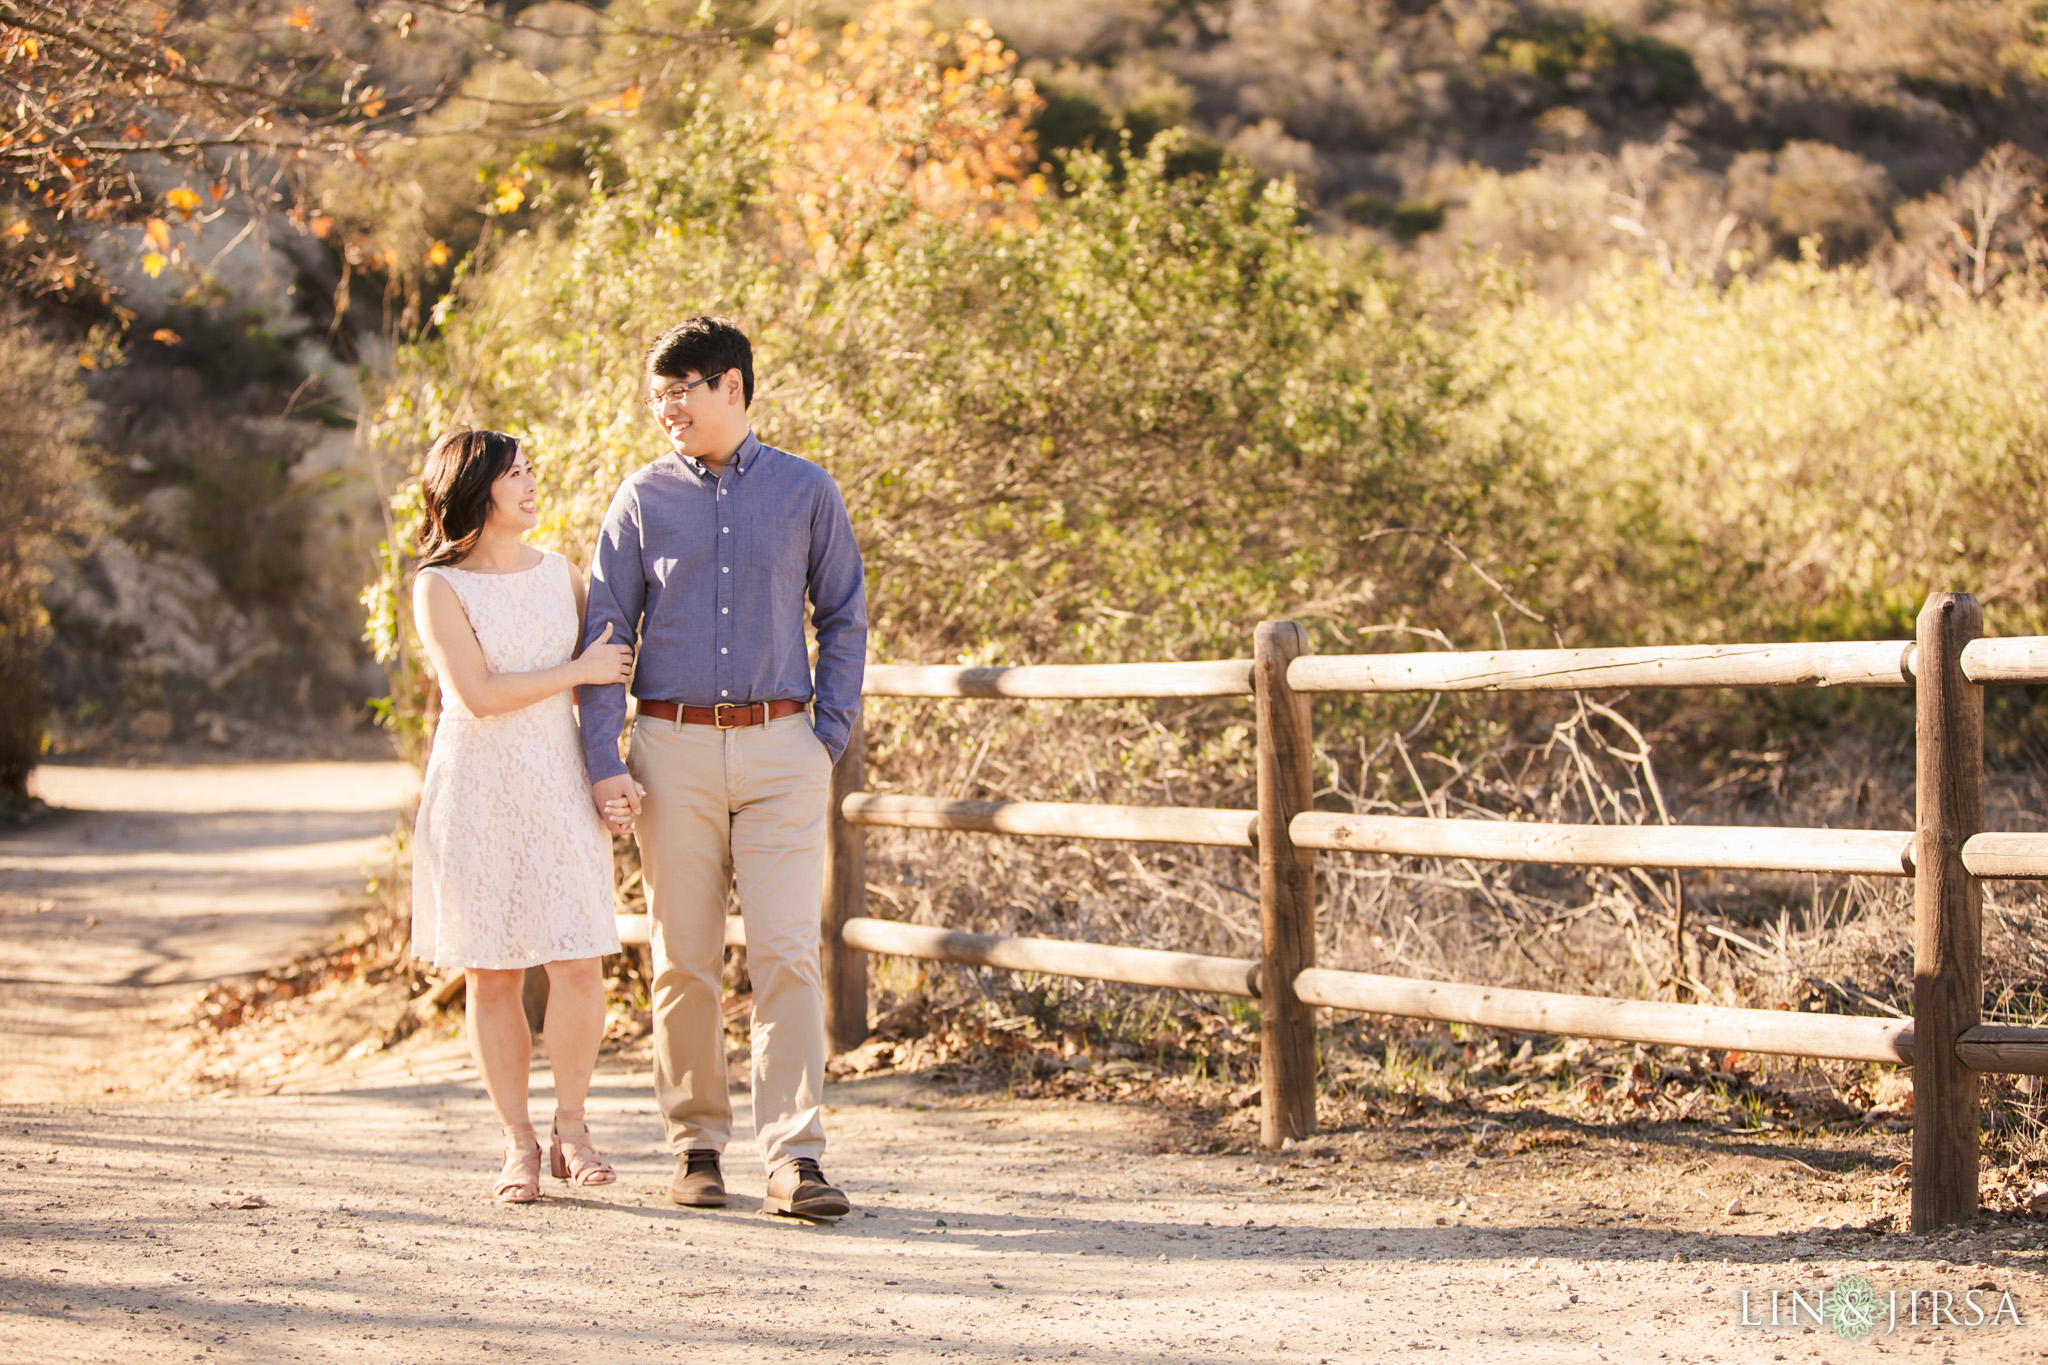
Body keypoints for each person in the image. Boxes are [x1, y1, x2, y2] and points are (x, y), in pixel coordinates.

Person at [580, 317, 866, 1218]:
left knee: (788, 953)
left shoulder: (806, 490)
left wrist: (825, 734)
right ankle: (695, 1144)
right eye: (657, 393)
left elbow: (845, 616)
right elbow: (604, 636)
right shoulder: (638, 499)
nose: (666, 407)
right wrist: (603, 755)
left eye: (682, 390)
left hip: (786, 747)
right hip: (671, 750)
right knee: (685, 959)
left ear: (733, 387)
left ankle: (794, 1159)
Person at [409, 429, 636, 1203]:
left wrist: (611, 769)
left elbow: (609, 683)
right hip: (478, 784)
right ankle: (518, 1143)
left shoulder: (562, 574)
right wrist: (577, 669)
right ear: (475, 488)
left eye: (531, 469)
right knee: (494, 970)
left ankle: (573, 1126)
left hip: (558, 777)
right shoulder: (438, 586)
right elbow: (477, 693)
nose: (532, 483)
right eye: (516, 474)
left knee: (577, 958)